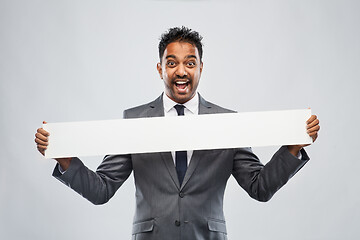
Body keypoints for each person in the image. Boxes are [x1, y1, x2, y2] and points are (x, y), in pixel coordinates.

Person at [35, 26, 320, 240]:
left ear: (200, 68)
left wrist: (293, 148)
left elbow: (260, 187)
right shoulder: (135, 120)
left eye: (190, 63)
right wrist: (66, 160)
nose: (181, 71)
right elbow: (102, 189)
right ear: (160, 69)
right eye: (172, 63)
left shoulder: (229, 122)